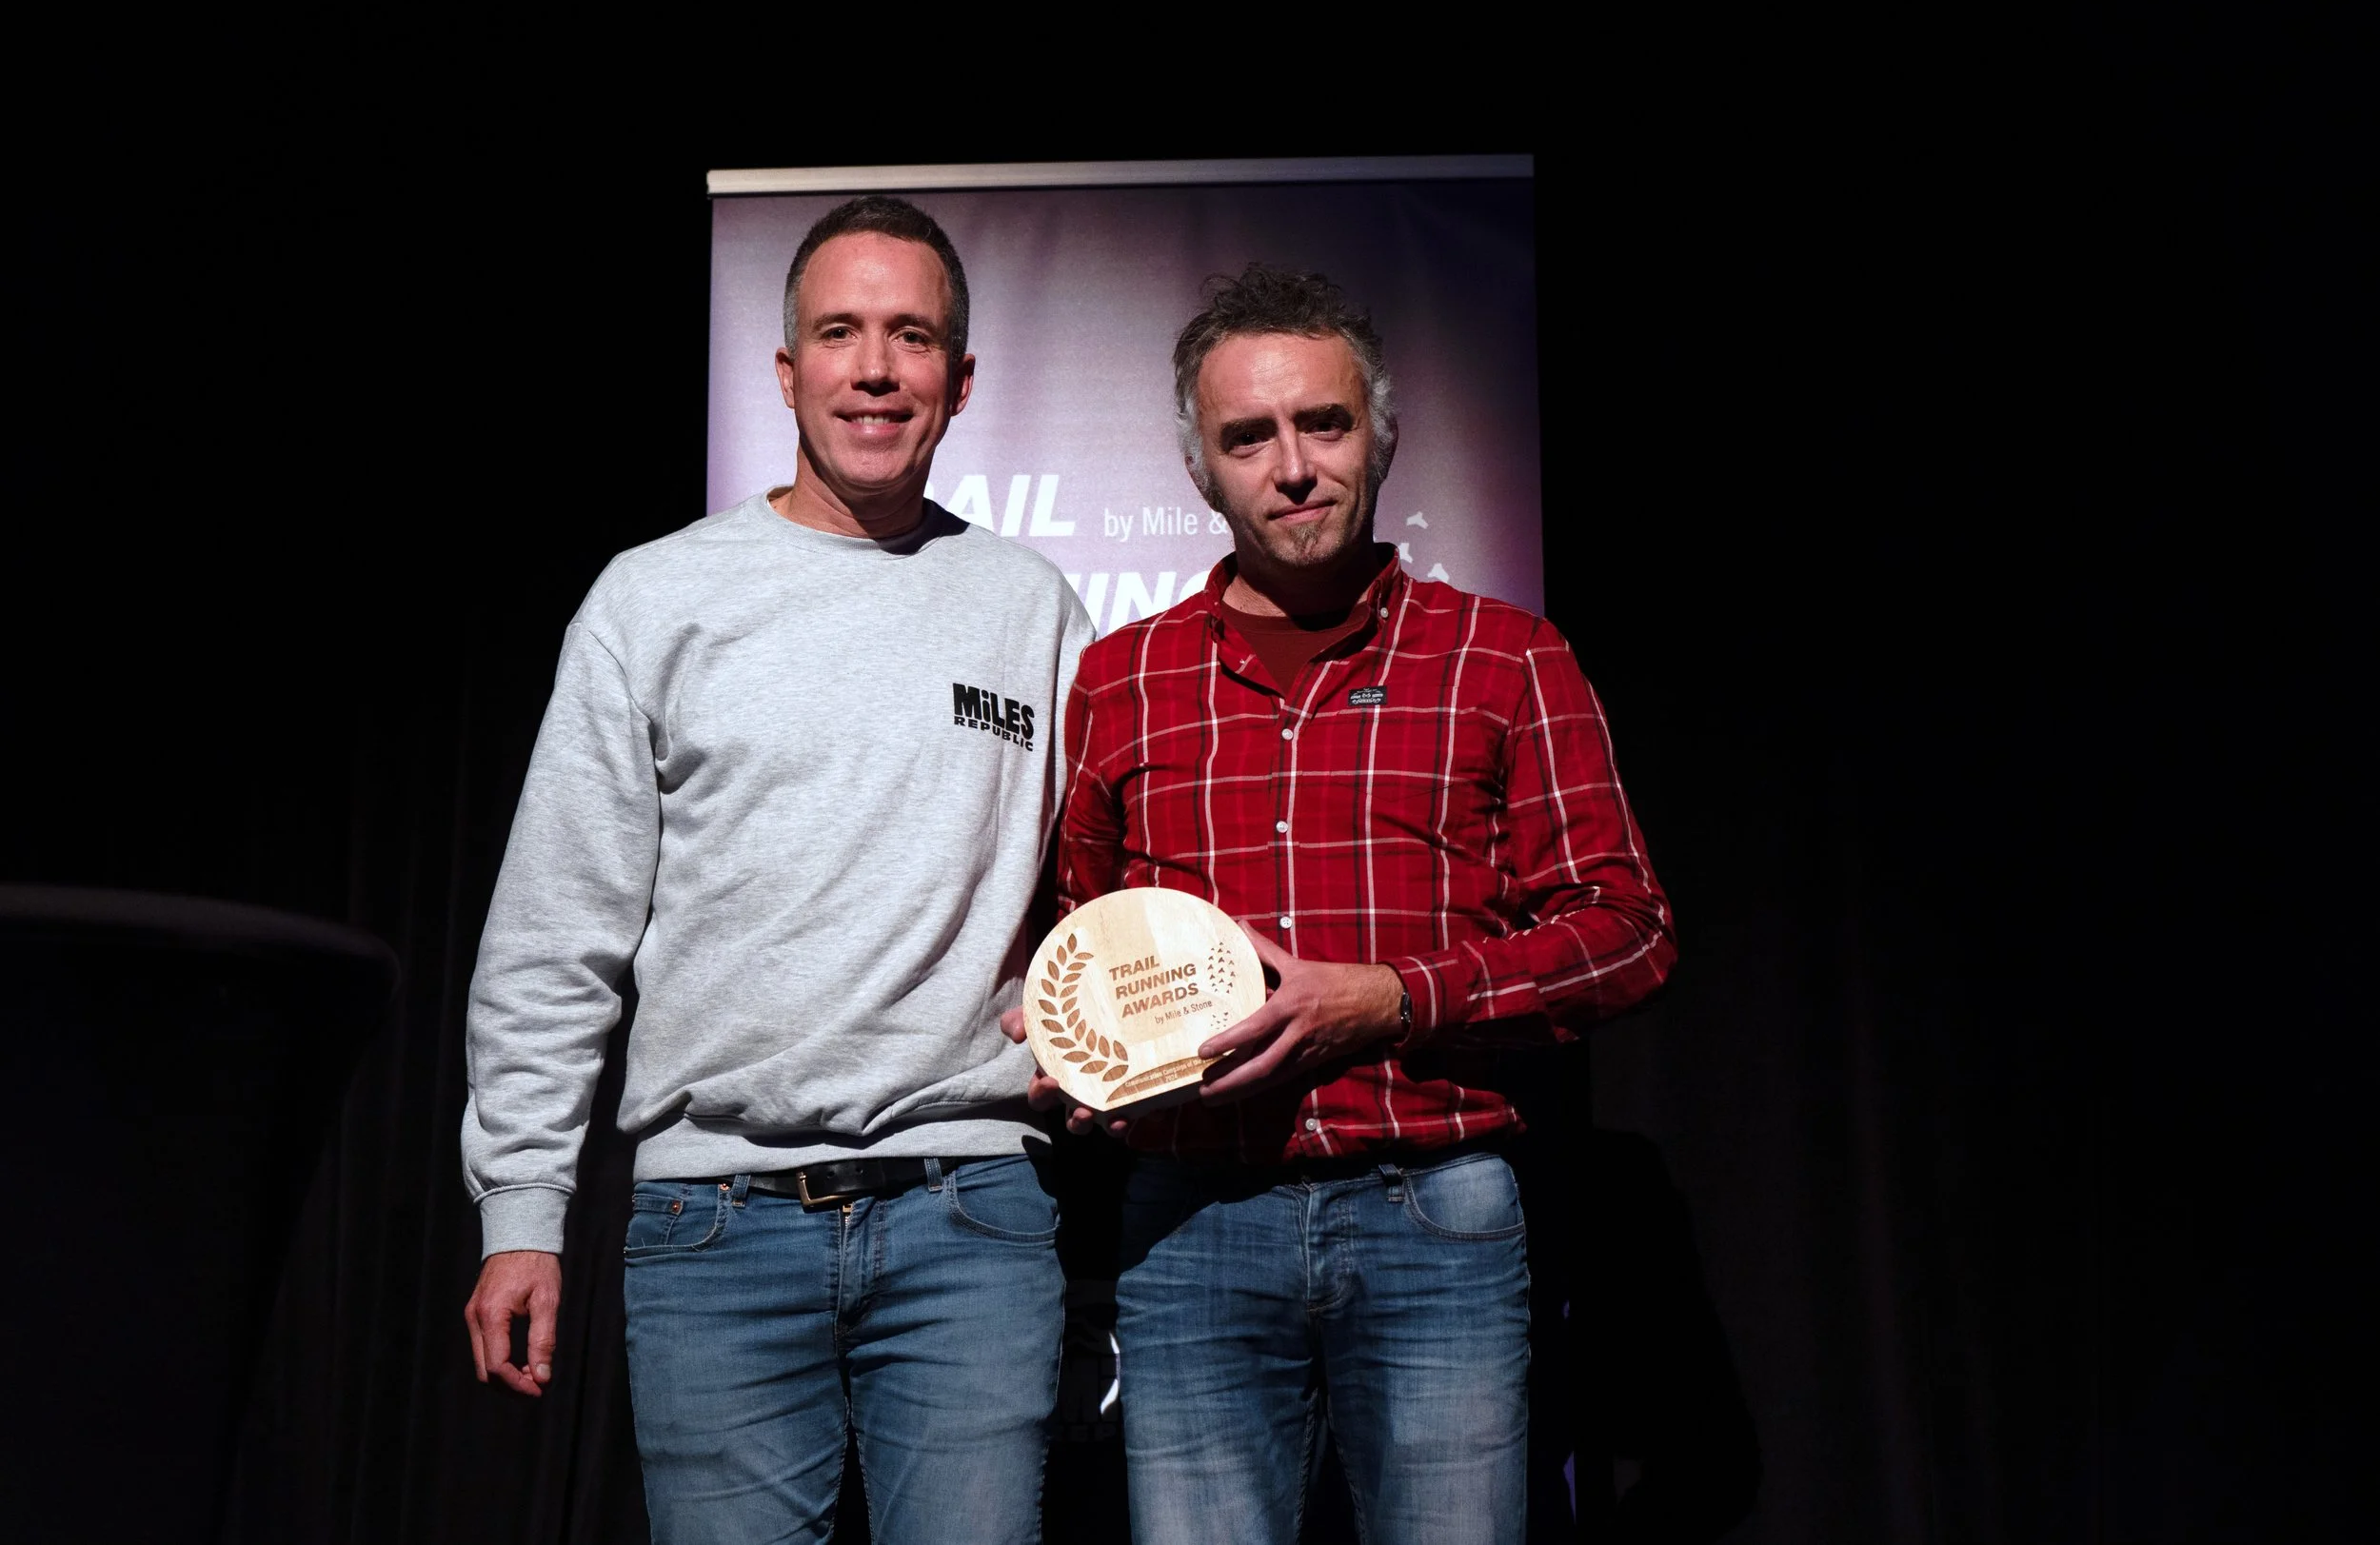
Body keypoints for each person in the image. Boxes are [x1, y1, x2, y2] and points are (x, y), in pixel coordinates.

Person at [1006, 265, 1676, 1545]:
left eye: (1324, 423)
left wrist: (1391, 1000)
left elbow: (1631, 928)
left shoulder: (1506, 655)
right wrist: (1074, 1050)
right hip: (1189, 1216)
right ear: (1202, 468)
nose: (1293, 465)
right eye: (1247, 436)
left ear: (1380, 434)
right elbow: (1075, 929)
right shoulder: (1120, 677)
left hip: (1436, 1203)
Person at [462, 194, 1093, 1544]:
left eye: (911, 336)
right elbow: (553, 929)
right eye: (841, 333)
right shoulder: (655, 598)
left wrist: (1088, 1009)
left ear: (962, 378)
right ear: (787, 370)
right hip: (712, 1225)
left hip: (970, 1213)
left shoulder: (1034, 607)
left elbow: (1100, 883)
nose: (875, 367)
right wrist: (522, 1208)